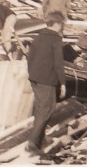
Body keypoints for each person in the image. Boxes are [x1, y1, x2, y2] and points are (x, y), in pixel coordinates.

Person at [25, 11, 67, 157]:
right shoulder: (55, 39)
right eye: (62, 24)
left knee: (40, 110)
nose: (62, 27)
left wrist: (32, 75)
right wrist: (63, 83)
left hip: (35, 78)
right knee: (46, 111)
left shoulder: (38, 38)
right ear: (56, 24)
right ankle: (31, 143)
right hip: (47, 80)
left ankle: (40, 141)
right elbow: (58, 63)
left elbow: (29, 58)